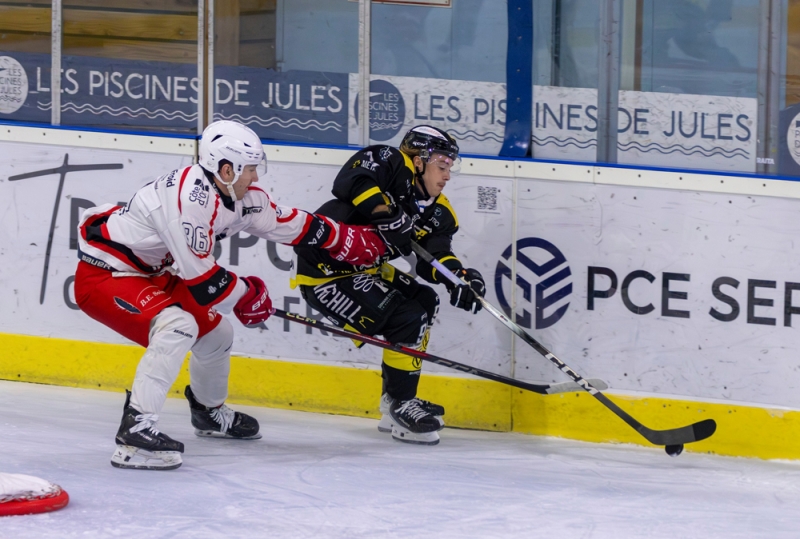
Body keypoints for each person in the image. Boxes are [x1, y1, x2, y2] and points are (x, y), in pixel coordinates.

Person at [74, 120, 386, 470]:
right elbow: (204, 282)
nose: (256, 176)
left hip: (153, 274)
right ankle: (135, 432)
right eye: (250, 168)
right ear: (227, 169)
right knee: (178, 327)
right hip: (104, 277)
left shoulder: (237, 195)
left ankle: (207, 412)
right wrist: (247, 294)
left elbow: (289, 223)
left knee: (217, 334)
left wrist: (344, 238)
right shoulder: (188, 202)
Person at [292, 125, 486, 446]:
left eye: (451, 166)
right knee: (407, 317)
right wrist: (385, 213)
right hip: (326, 273)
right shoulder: (392, 162)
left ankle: (395, 401)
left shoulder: (439, 211)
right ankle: (402, 405)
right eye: (442, 164)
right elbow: (350, 180)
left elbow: (434, 256)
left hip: (367, 269)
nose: (447, 175)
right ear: (419, 161)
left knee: (425, 300)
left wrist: (458, 278)